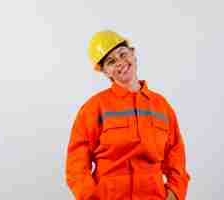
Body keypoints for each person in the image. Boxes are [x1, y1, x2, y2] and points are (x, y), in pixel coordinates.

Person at [65, 30, 190, 200]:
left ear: (133, 54)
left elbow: (176, 155)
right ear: (105, 72)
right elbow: (76, 165)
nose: (120, 63)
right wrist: (90, 197)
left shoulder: (161, 106)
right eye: (111, 61)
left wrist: (175, 192)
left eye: (123, 54)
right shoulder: (95, 107)